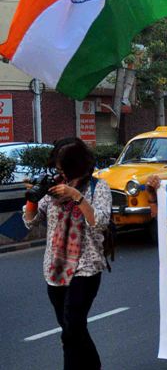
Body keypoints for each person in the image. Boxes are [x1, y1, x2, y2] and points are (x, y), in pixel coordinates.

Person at [22, 138, 111, 370]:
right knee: (70, 328)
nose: (60, 172)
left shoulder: (97, 187)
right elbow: (31, 222)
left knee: (72, 326)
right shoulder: (53, 187)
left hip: (86, 267)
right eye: (57, 168)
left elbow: (99, 222)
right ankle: (93, 365)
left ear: (78, 164)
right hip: (55, 267)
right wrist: (32, 199)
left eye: (64, 168)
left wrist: (75, 195)